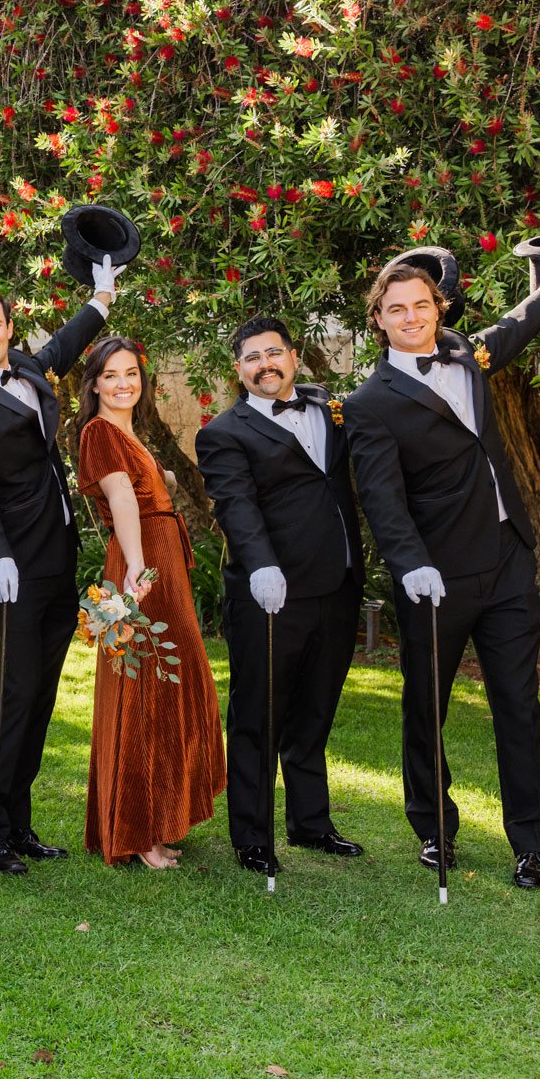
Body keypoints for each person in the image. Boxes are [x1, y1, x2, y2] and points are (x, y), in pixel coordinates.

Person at [345, 248, 540, 889]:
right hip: (435, 575)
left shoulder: (465, 354)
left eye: (421, 305)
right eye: (397, 308)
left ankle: (532, 845)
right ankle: (433, 828)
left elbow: (512, 329)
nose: (411, 317)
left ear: (438, 308)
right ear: (379, 319)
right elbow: (382, 498)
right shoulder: (369, 402)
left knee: (519, 706)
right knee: (427, 708)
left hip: (507, 559)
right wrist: (411, 565)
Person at [0, 267, 117, 875]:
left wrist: (101, 298)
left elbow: (65, 344)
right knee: (13, 695)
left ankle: (19, 822)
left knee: (39, 696)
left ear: (9, 327)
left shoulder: (27, 368)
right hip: (10, 567)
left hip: (56, 559)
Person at [193, 315, 367, 877]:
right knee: (258, 717)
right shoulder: (224, 432)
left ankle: (311, 823)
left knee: (315, 711)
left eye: (273, 353)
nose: (264, 365)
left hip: (338, 585)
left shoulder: (331, 409)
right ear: (238, 369)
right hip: (270, 594)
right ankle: (252, 835)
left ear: (293, 357)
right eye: (252, 357)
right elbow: (236, 505)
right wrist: (263, 566)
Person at [74, 338, 226, 868]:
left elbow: (138, 486)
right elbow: (120, 497)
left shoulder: (126, 432)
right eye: (111, 375)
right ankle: (138, 830)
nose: (123, 384)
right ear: (94, 384)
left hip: (160, 555)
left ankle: (159, 815)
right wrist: (138, 566)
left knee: (168, 682)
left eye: (131, 374)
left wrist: (162, 477)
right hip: (145, 563)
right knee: (146, 688)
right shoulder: (99, 431)